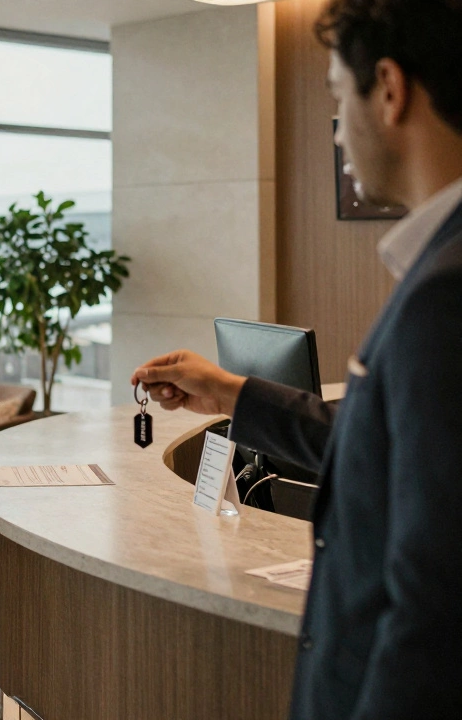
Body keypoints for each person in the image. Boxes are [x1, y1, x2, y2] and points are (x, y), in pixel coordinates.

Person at [132, 2, 462, 717]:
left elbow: (435, 603)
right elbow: (384, 453)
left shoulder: (446, 293)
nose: (340, 131)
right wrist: (229, 393)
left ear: (388, 87)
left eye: (339, 98)